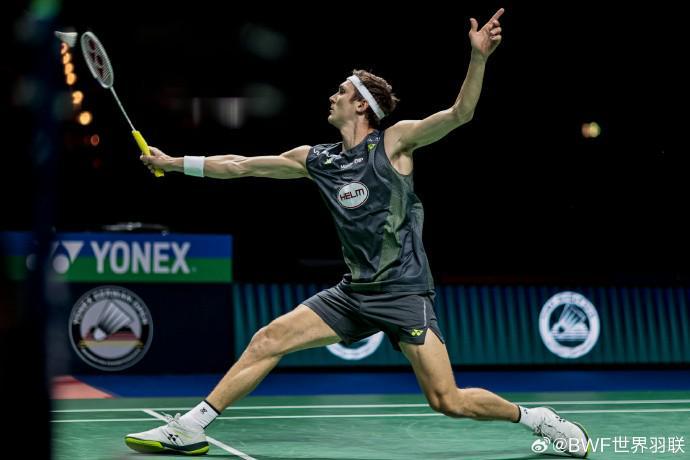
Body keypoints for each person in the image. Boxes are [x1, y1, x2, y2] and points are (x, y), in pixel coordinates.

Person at [125, 8, 591, 458]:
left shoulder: (394, 142)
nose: (332, 96)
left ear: (361, 105)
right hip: (353, 293)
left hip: (403, 291)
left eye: (341, 91)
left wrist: (478, 58)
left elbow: (458, 114)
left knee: (447, 401)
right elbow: (240, 165)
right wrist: (174, 163)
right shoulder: (319, 159)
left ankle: (537, 418)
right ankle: (190, 427)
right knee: (269, 338)